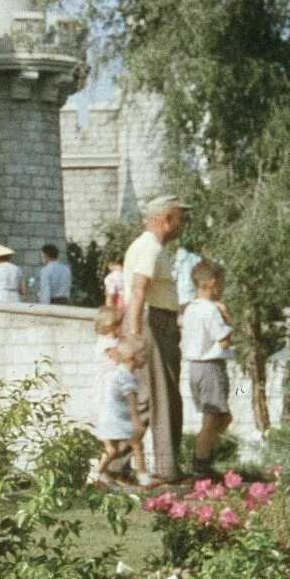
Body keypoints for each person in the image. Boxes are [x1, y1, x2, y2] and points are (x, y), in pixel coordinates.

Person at [123, 195, 188, 481]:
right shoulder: (149, 248)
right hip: (152, 322)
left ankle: (117, 467)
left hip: (157, 320)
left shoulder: (151, 247)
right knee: (160, 396)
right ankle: (166, 470)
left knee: (156, 396)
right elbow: (139, 289)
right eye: (179, 217)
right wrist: (136, 333)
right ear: (164, 218)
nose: (182, 224)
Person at [179, 261, 233, 480]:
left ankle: (206, 458)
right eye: (222, 284)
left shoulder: (190, 308)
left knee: (223, 417)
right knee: (212, 419)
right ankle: (201, 464)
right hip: (210, 366)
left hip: (195, 367)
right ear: (213, 283)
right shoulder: (211, 309)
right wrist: (227, 316)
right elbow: (225, 339)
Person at [89, 337, 148, 491]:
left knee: (112, 450)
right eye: (143, 354)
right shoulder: (127, 377)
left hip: (106, 419)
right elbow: (132, 403)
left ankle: (94, 476)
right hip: (116, 420)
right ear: (131, 358)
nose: (145, 358)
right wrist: (137, 422)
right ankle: (144, 480)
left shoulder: (117, 373)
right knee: (137, 444)